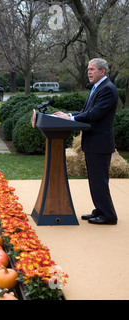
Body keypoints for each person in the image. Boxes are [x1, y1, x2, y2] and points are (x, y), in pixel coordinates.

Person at [53, 58, 119, 225]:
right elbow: (86, 111)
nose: (89, 72)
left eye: (92, 69)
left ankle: (109, 215)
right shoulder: (97, 88)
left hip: (100, 143)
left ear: (102, 71)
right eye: (88, 69)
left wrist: (70, 118)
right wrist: (68, 116)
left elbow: (94, 114)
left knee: (99, 180)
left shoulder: (108, 90)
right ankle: (100, 210)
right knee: (94, 179)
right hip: (92, 142)